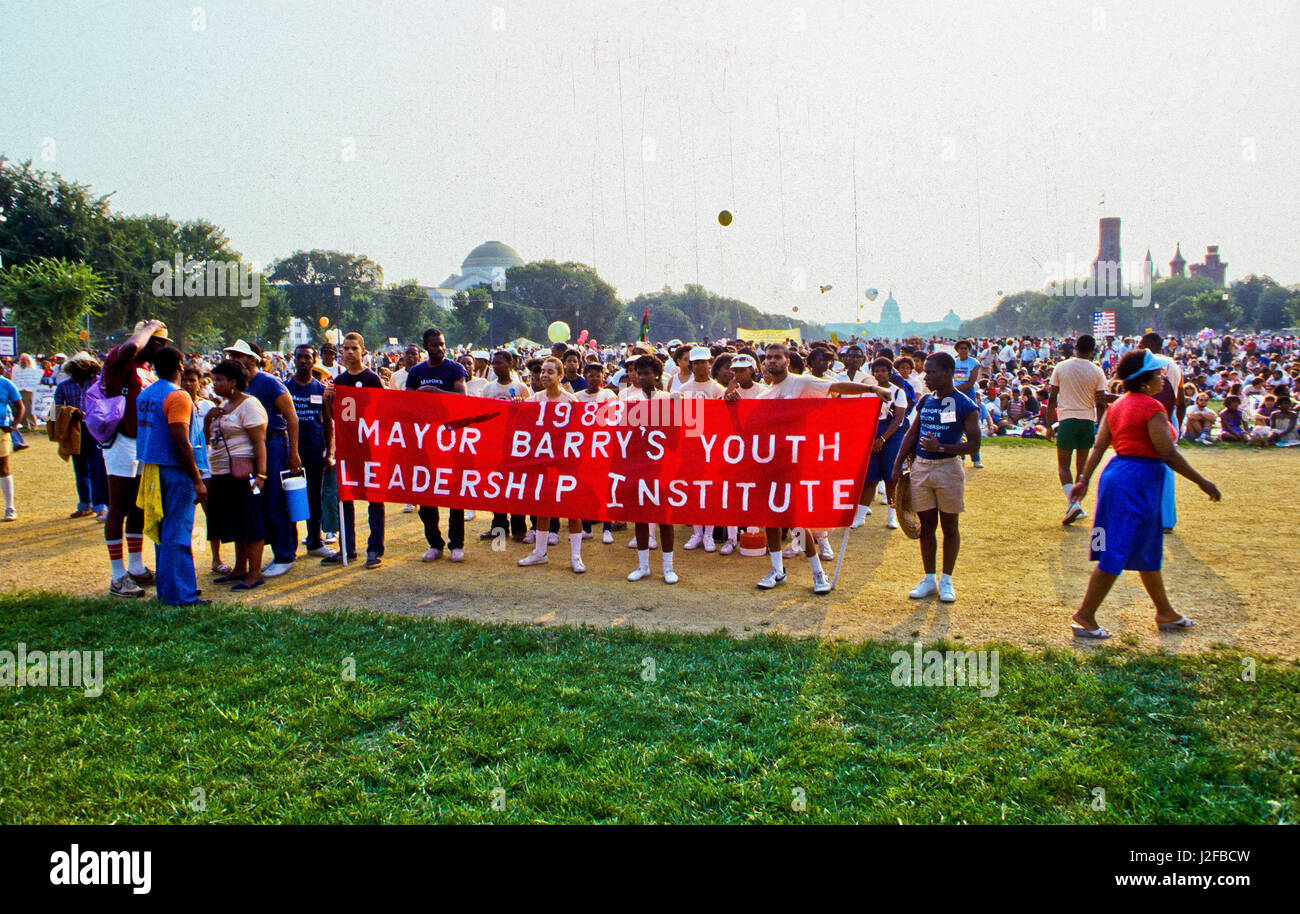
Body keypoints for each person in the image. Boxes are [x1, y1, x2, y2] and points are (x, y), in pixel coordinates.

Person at [1067, 349, 1221, 638]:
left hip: (1118, 476)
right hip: (1137, 481)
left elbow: (1099, 446)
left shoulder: (1118, 406)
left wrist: (1084, 478)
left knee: (1146, 548)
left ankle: (1165, 612)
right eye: (1158, 373)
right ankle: (1085, 615)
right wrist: (1202, 481)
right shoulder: (1152, 409)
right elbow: (1168, 454)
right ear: (1144, 380)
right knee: (1118, 549)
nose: (1163, 376)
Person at [726, 342, 874, 594]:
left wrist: (872, 389)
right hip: (767, 463)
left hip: (795, 462)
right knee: (769, 519)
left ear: (788, 361)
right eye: (768, 358)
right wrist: (732, 408)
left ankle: (818, 572)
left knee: (795, 519)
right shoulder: (764, 395)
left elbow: (837, 387)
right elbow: (744, 431)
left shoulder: (802, 383)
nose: (772, 361)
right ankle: (777, 570)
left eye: (777, 357)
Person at [890, 352, 981, 604]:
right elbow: (911, 435)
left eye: (931, 372)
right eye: (925, 371)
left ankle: (947, 580)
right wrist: (897, 464)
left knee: (950, 527)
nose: (925, 376)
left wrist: (941, 447)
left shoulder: (965, 404)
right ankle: (929, 578)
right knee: (927, 526)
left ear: (948, 373)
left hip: (948, 469)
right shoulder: (926, 400)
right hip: (921, 468)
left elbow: (974, 444)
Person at [133, 346, 210, 606]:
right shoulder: (178, 396)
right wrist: (197, 480)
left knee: (163, 531)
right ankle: (182, 595)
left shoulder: (145, 394)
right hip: (175, 470)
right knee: (178, 532)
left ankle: (169, 590)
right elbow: (181, 441)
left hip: (151, 468)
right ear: (179, 366)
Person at [223, 339, 303, 578]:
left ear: (251, 359)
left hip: (274, 443)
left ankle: (285, 554)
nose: (233, 360)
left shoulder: (269, 383)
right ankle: (269, 553)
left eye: (238, 356)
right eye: (232, 356)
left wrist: (293, 452)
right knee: (257, 500)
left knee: (276, 501)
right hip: (250, 447)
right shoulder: (239, 385)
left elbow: (291, 417)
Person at [101, 320, 170, 598]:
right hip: (121, 441)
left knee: (138, 506)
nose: (162, 349)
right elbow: (132, 345)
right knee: (117, 506)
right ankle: (118, 575)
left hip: (142, 443)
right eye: (159, 342)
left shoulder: (144, 369)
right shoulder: (119, 359)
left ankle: (136, 565)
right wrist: (150, 326)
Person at [403, 327, 470, 561]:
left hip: (451, 439)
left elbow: (462, 398)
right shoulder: (416, 372)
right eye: (434, 345)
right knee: (427, 493)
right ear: (426, 347)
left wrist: (435, 392)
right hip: (425, 440)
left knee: (454, 493)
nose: (440, 349)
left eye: (442, 344)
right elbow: (406, 403)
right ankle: (435, 543)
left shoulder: (455, 368)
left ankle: (456, 544)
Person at [324, 333, 387, 568]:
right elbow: (334, 419)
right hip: (347, 446)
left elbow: (383, 412)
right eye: (346, 348)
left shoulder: (372, 379)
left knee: (374, 497)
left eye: (354, 348)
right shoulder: (338, 381)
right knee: (345, 496)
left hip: (369, 446)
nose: (349, 352)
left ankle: (374, 549)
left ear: (363, 350)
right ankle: (347, 548)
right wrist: (327, 400)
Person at [518, 357, 587, 573]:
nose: (544, 376)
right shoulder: (534, 399)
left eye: (550, 372)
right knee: (543, 506)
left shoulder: (571, 401)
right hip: (543, 460)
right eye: (542, 372)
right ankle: (540, 552)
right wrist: (516, 408)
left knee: (573, 508)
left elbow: (581, 432)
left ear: (560, 375)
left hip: (567, 461)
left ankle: (576, 556)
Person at [205, 359, 269, 590]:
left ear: (233, 381)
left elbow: (259, 442)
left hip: (247, 476)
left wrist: (261, 476)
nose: (214, 384)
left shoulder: (249, 405)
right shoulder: (224, 406)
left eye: (219, 380)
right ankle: (240, 567)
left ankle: (255, 572)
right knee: (235, 521)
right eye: (213, 379)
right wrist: (209, 418)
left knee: (250, 520)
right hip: (223, 474)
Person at [620, 355, 677, 582]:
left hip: (663, 466)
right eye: (638, 373)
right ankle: (643, 566)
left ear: (657, 375)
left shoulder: (669, 398)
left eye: (647, 373)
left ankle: (668, 568)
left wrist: (679, 403)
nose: (642, 377)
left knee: (665, 518)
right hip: (637, 466)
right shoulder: (628, 400)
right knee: (640, 516)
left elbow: (684, 432)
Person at [1047, 334, 1109, 525]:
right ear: (1092, 350)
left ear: (1075, 348)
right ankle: (1077, 504)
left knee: (1063, 465)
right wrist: (1102, 425)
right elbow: (1101, 402)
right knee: (1082, 468)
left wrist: (1049, 425)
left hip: (1067, 420)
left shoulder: (1061, 366)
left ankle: (1072, 503)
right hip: (1087, 421)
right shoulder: (1097, 371)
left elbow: (1052, 399)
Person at [286, 343, 336, 559]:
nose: (303, 361)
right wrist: (290, 451)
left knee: (314, 497)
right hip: (291, 452)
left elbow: (328, 422)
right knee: (290, 498)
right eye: (299, 357)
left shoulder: (320, 389)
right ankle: (289, 545)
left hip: (315, 451)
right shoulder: (285, 387)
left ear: (314, 359)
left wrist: (330, 451)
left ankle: (315, 541)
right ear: (294, 360)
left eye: (307, 357)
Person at [852, 357, 909, 530]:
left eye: (883, 370)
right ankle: (860, 516)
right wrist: (870, 438)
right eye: (876, 371)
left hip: (891, 434)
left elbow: (898, 419)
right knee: (869, 477)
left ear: (890, 373)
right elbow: (861, 414)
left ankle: (893, 516)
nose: (880, 374)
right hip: (870, 432)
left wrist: (882, 439)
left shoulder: (898, 392)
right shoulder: (867, 391)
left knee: (891, 477)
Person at [54, 351, 109, 520]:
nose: (83, 369)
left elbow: (107, 404)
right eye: (79, 366)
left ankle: (100, 505)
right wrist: (70, 413)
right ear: (73, 368)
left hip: (95, 430)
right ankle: (84, 504)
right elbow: (55, 410)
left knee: (97, 468)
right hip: (75, 430)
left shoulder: (98, 384)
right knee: (80, 469)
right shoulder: (64, 386)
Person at [1139, 332, 1184, 533]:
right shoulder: (1174, 365)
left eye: (1141, 344)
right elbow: (1180, 399)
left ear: (1148, 345)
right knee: (1167, 467)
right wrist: (1178, 425)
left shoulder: (1145, 363)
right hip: (1169, 417)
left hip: (1149, 415)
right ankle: (1167, 520)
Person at [0, 369, 25, 520]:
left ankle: (10, 507)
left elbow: (20, 406)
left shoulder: (6, 383)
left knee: (3, 467)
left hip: (1, 430)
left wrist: (14, 425)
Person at [11, 353, 42, 431]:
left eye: (24, 360)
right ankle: (25, 424)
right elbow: (14, 378)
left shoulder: (33, 369)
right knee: (21, 407)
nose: (23, 362)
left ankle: (33, 424)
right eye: (22, 360)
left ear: (28, 360)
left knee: (29, 407)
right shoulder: (16, 369)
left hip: (29, 390)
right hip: (19, 390)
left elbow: (36, 379)